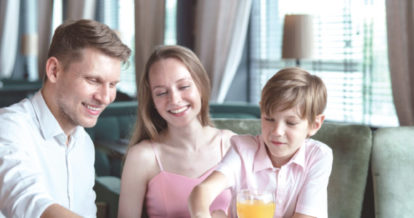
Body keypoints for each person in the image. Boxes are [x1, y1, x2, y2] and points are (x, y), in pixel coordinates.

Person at [0, 19, 131, 217]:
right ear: (54, 71)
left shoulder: (84, 142)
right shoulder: (10, 127)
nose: (105, 97)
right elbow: (28, 200)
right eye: (93, 80)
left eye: (112, 85)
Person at [189, 67, 333, 218]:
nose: (277, 131)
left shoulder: (318, 156)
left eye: (291, 123)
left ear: (314, 125)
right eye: (269, 119)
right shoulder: (243, 149)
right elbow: (202, 191)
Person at [118, 45, 235, 218]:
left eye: (184, 87)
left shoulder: (231, 145)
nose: (174, 100)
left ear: (200, 85)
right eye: (161, 92)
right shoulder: (142, 156)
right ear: (152, 100)